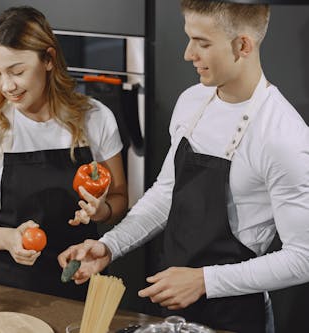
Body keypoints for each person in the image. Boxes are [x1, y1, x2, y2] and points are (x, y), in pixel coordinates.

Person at [58, 1, 309, 332]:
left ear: (243, 45)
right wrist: (110, 245)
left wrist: (204, 281)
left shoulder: (283, 136)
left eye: (202, 43)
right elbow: (166, 194)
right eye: (189, 39)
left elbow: (303, 258)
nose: (188, 54)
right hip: (170, 307)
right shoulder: (192, 101)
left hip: (235, 318)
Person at [0, 6, 128, 301]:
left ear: (48, 59)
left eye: (17, 71)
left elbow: (120, 199)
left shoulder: (96, 118)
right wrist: (8, 239)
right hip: (10, 290)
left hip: (82, 280)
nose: (7, 86)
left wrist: (103, 211)